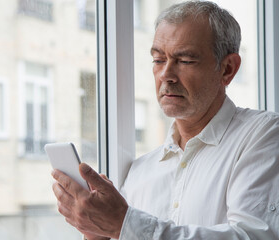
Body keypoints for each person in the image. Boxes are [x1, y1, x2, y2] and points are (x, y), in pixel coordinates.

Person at [51, 1, 279, 239]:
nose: (165, 75)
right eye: (159, 60)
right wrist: (98, 232)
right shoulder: (140, 171)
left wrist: (123, 224)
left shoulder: (264, 135)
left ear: (227, 69)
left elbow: (254, 236)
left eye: (185, 61)